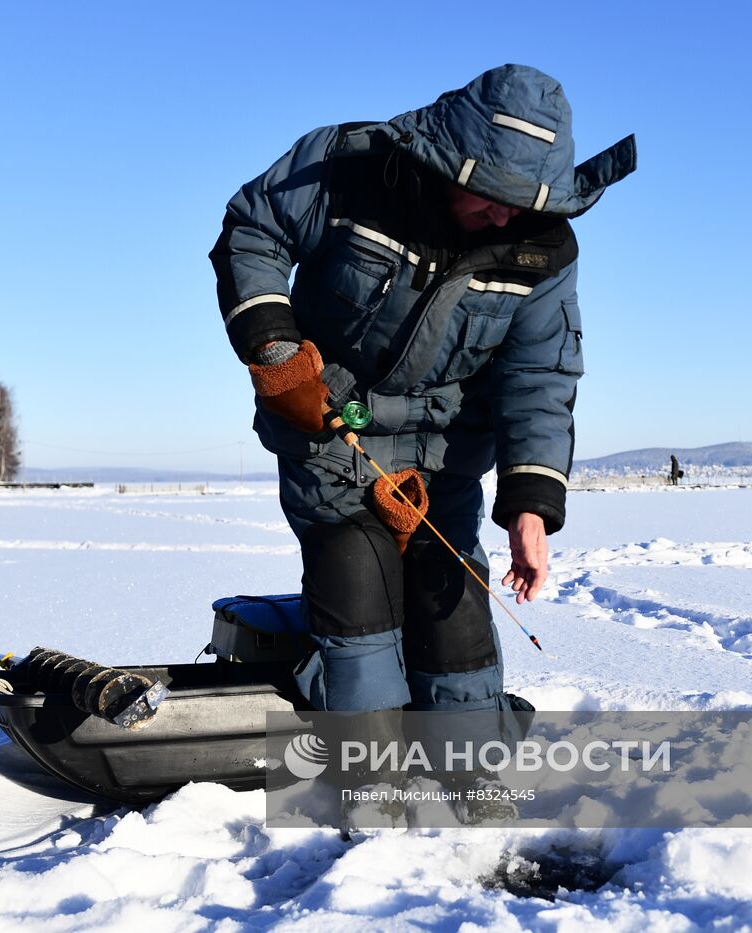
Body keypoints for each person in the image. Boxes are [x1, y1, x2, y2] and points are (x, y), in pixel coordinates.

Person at [210, 65, 635, 715]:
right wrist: (277, 353)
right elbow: (253, 230)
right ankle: (366, 782)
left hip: (446, 464)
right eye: (487, 193)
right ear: (450, 162)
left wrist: (531, 501)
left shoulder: (544, 248)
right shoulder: (352, 169)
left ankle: (469, 768)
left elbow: (540, 375)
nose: (501, 216)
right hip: (332, 440)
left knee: (456, 621)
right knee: (360, 601)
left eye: (518, 202)